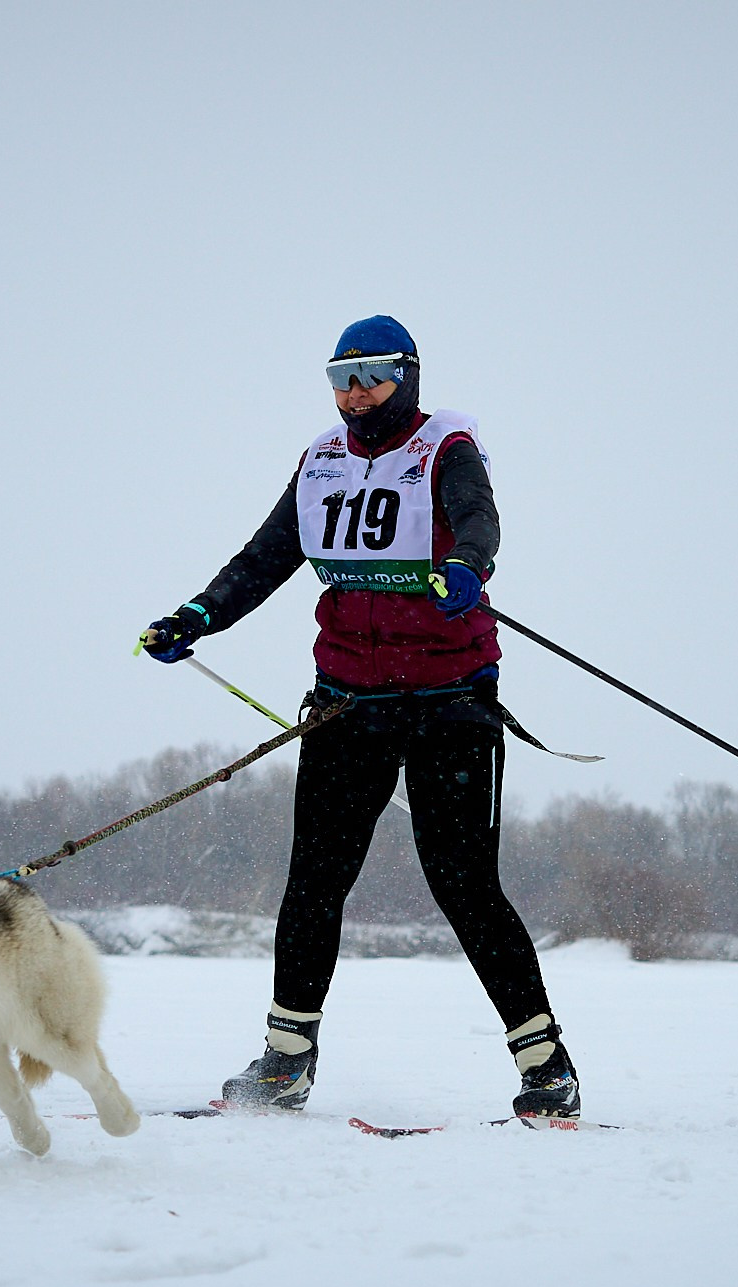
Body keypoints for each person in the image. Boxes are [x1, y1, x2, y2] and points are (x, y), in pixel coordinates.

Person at [139, 315, 581, 1119]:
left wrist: (467, 565)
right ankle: (286, 1060)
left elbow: (478, 519)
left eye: (373, 374)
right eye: (341, 378)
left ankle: (546, 1065)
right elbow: (266, 557)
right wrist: (197, 615)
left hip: (450, 701)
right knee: (316, 879)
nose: (356, 392)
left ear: (408, 375)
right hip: (349, 701)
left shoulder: (445, 448)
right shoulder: (321, 462)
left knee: (463, 883)